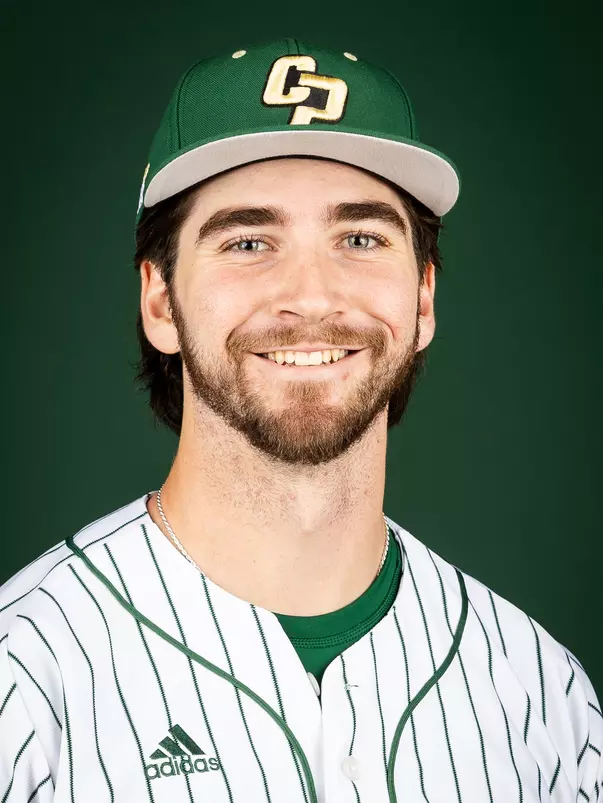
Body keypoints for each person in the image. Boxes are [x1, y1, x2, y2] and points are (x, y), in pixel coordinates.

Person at [0, 38, 601, 803]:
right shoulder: (23, 680)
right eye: (249, 241)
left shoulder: (542, 697)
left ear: (422, 299)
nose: (312, 297)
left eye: (360, 238)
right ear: (158, 301)